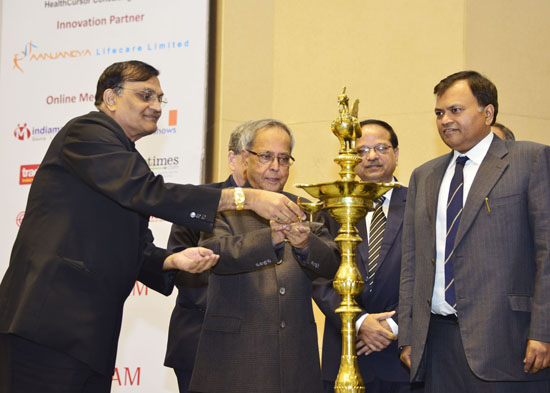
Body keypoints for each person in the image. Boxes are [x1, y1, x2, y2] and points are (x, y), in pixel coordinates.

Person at [0, 61, 304, 393]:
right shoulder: (86, 131)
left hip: (88, 334)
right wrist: (241, 198)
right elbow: (146, 191)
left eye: (160, 98)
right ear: (111, 98)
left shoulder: (126, 158)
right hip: (48, 324)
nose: (157, 107)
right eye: (145, 95)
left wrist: (171, 261)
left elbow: (136, 245)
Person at [398, 70, 550, 393]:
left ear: (488, 113)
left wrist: (544, 330)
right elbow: (413, 263)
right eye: (439, 113)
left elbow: (547, 253)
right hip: (437, 344)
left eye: (456, 110)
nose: (444, 120)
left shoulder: (530, 159)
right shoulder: (424, 176)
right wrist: (408, 336)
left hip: (508, 341)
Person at [189, 119, 341, 393]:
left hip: (296, 361)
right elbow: (214, 255)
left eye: (284, 159)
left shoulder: (306, 209)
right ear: (245, 158)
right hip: (234, 360)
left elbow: (332, 265)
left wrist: (307, 245)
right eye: (267, 157)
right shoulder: (223, 206)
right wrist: (268, 239)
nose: (276, 167)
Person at [314, 120, 421, 393]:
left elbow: (429, 272)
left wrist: (392, 327)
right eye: (362, 151)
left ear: (396, 153)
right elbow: (318, 277)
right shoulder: (330, 209)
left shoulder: (422, 204)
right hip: (346, 351)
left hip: (402, 354)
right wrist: (360, 322)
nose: (371, 156)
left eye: (380, 147)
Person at [164, 123, 247, 393]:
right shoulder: (200, 201)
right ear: (232, 158)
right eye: (253, 156)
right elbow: (180, 267)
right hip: (201, 340)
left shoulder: (283, 207)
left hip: (261, 348)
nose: (267, 165)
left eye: (277, 158)